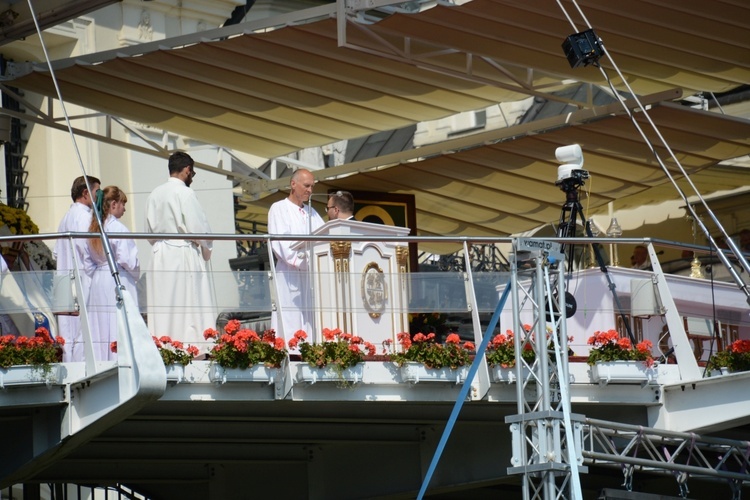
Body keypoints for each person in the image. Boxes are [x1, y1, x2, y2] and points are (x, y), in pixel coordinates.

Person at [145, 152, 216, 351]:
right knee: (188, 305)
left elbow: (148, 232)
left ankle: (165, 347)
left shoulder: (155, 194)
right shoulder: (185, 193)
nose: (192, 176)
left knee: (164, 306)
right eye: (192, 172)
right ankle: (191, 348)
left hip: (160, 255)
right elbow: (198, 227)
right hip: (182, 253)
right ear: (187, 170)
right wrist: (206, 245)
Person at [85, 186, 140, 361]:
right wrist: (136, 271)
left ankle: (102, 360)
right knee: (119, 322)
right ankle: (121, 361)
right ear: (114, 204)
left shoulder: (93, 229)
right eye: (123, 204)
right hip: (117, 276)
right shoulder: (118, 227)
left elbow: (87, 262)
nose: (124, 209)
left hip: (99, 280)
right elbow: (128, 259)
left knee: (101, 324)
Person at [268, 168, 324, 339]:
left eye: (312, 187)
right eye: (307, 186)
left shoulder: (312, 212)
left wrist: (319, 261)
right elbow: (283, 245)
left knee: (312, 322)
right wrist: (310, 260)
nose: (310, 190)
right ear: (293, 184)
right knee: (289, 320)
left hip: (311, 276)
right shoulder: (279, 208)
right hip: (289, 275)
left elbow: (324, 238)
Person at [54, 175, 100, 361]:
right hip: (83, 278)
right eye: (97, 191)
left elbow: (56, 253)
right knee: (83, 329)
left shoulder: (65, 217)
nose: (99, 196)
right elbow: (87, 248)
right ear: (85, 193)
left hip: (65, 278)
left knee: (69, 332)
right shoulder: (84, 216)